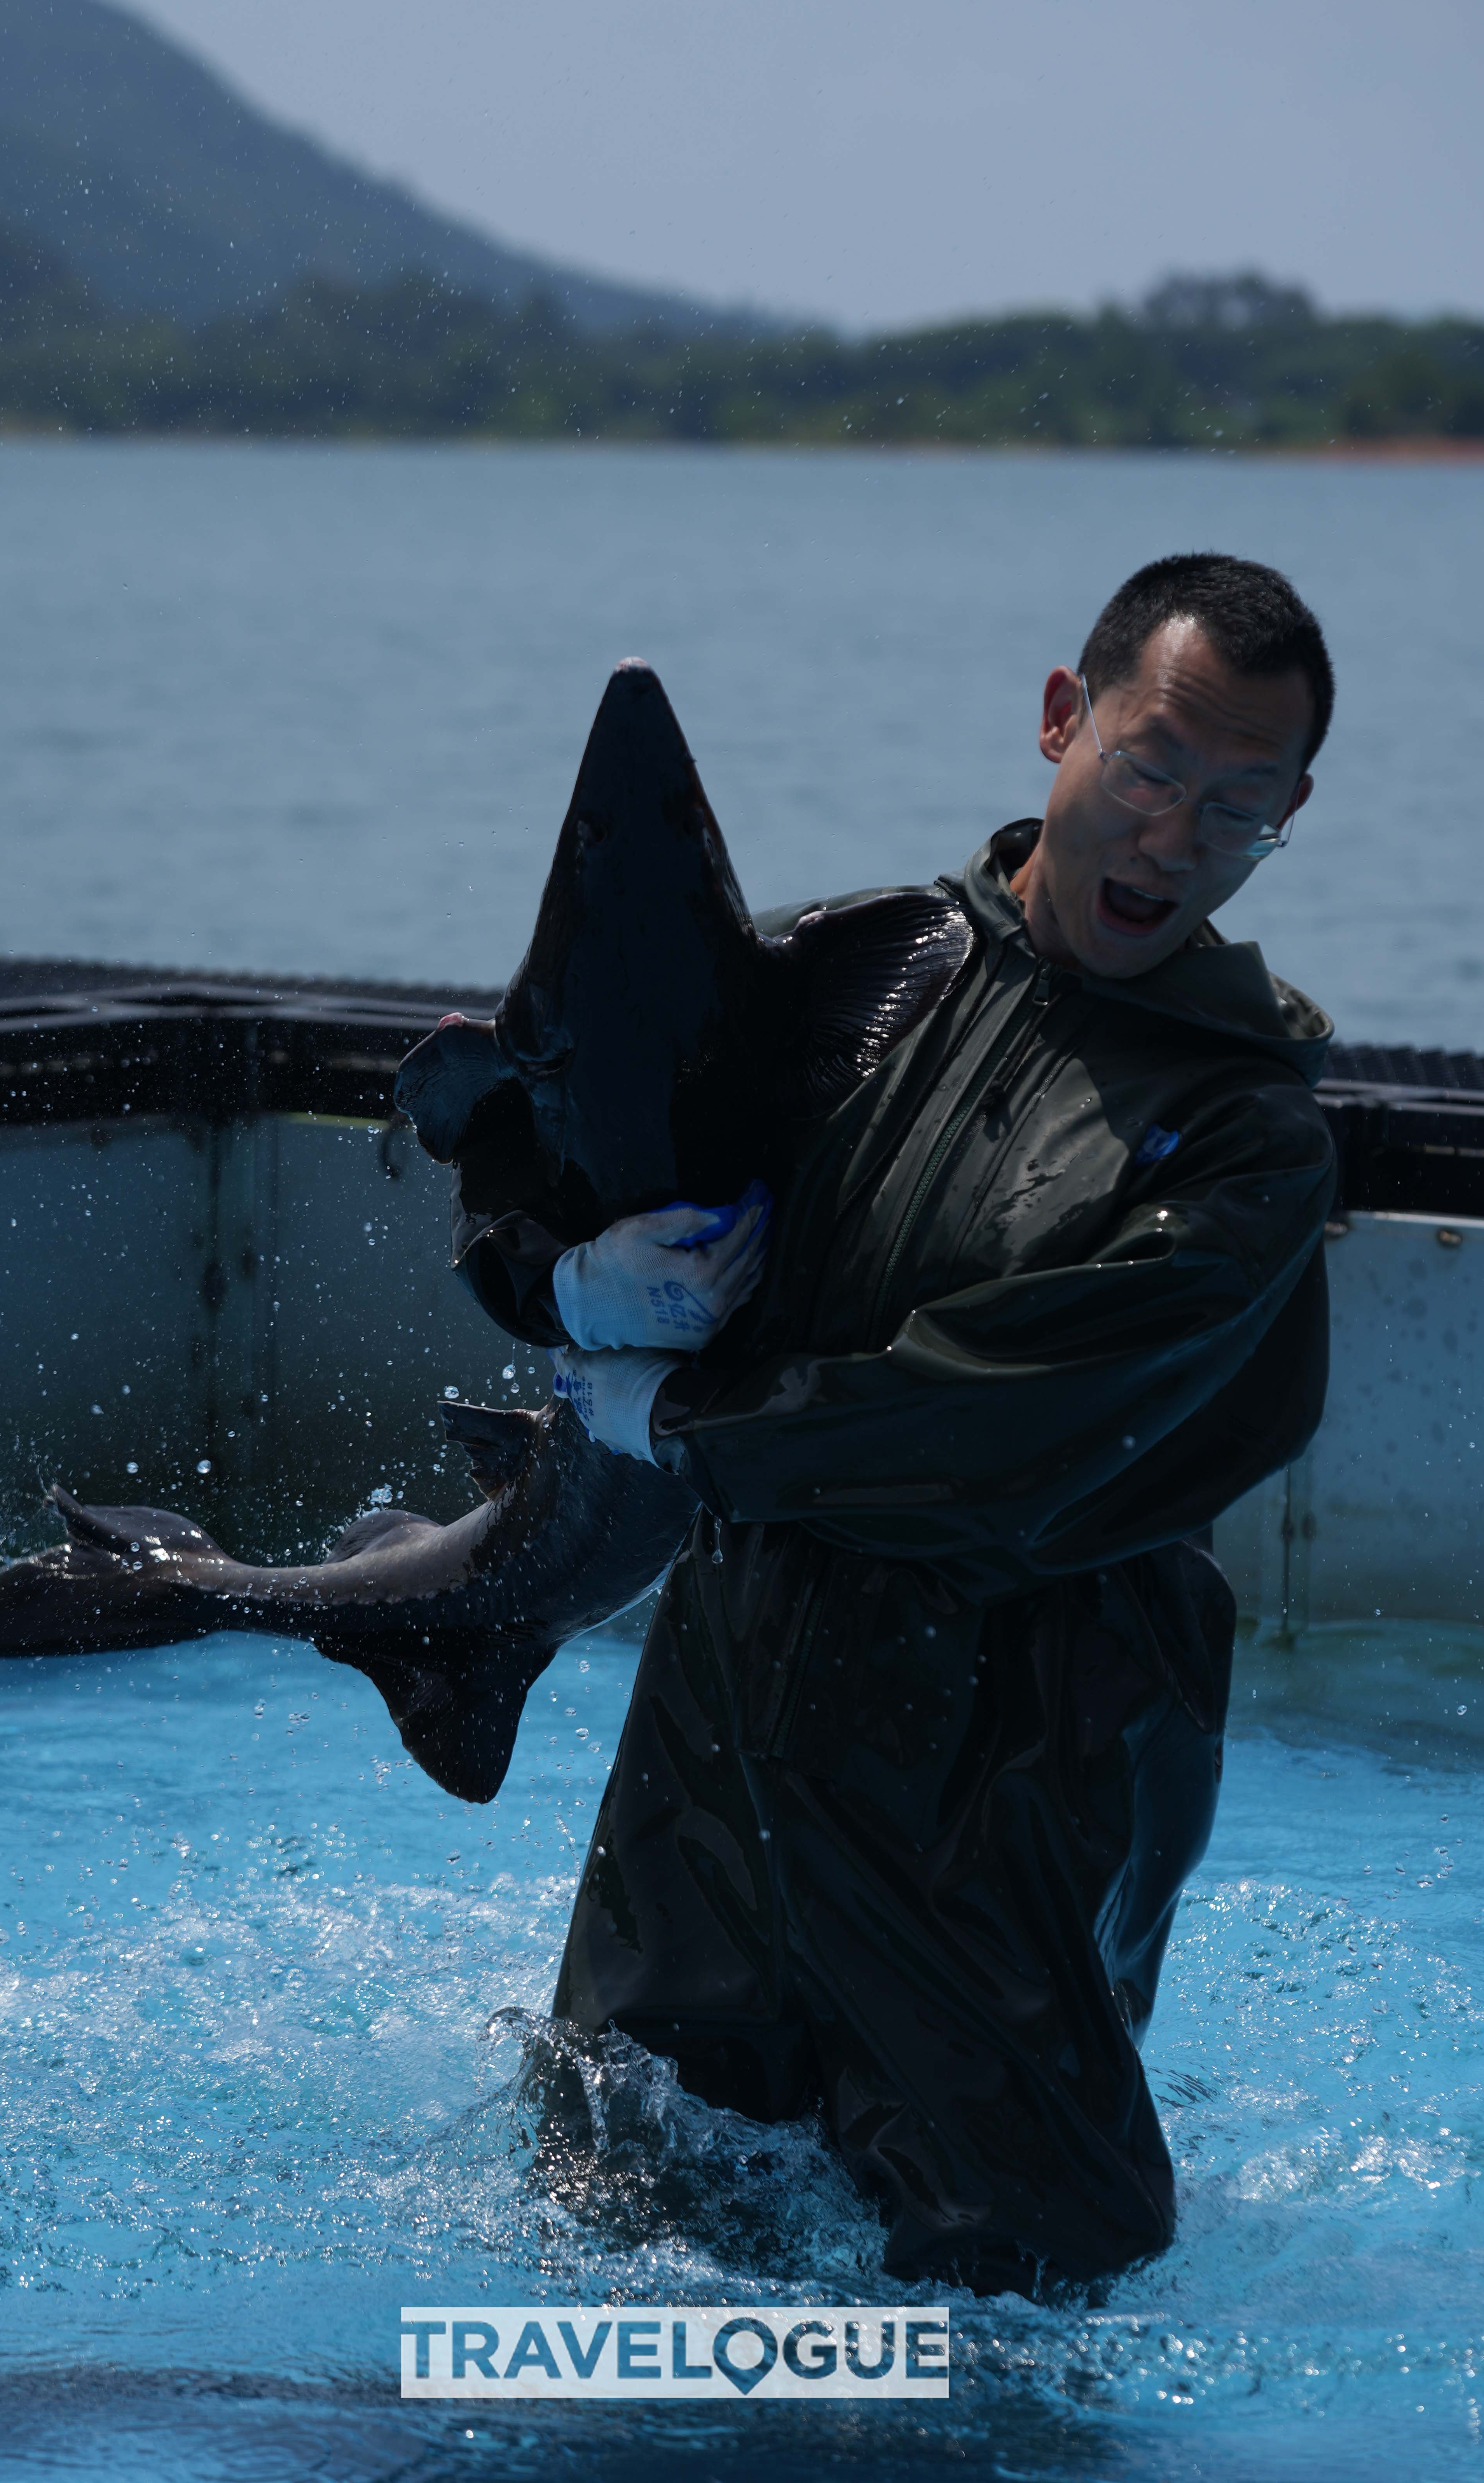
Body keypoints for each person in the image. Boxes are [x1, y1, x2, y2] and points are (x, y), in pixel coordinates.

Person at [540, 552, 1339, 2296]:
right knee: (598, 2218)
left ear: (1288, 818)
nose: (1170, 837)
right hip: (721, 1726)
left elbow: (996, 1425)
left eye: (1236, 808)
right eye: (1146, 765)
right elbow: (563, 1130)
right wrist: (563, 1278)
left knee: (1016, 2301)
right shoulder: (856, 973)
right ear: (1062, 718)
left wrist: (678, 1419)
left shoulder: (1248, 1142)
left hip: (1017, 1772)